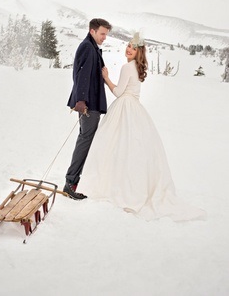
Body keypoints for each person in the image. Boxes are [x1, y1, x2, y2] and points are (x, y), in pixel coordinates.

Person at [78, 33, 206, 221]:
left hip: (124, 108)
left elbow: (119, 92)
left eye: (133, 48)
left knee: (111, 145)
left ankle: (110, 185)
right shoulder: (137, 68)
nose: (128, 49)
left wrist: (105, 77)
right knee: (131, 149)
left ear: (138, 53)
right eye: (128, 46)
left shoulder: (126, 67)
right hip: (135, 109)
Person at [63, 18, 112, 200]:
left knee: (86, 139)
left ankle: (74, 181)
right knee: (85, 140)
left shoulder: (92, 47)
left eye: (106, 34)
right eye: (102, 34)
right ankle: (70, 183)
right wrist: (81, 101)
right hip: (88, 104)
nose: (104, 38)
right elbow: (81, 75)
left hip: (90, 102)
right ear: (92, 31)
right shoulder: (87, 47)